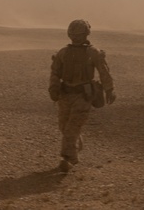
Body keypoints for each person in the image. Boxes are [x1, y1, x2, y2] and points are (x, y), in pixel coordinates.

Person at [49, 19, 116, 173]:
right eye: (73, 35)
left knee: (72, 129)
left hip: (83, 96)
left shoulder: (93, 53)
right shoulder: (63, 52)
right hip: (65, 95)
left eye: (79, 35)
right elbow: (55, 72)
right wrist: (53, 88)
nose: (75, 38)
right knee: (64, 126)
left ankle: (68, 159)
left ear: (86, 34)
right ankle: (76, 146)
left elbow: (104, 71)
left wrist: (110, 89)